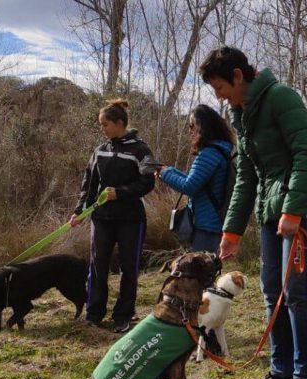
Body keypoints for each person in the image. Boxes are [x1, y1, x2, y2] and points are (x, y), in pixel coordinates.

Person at [199, 46, 307, 379]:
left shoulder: (281, 98)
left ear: (239, 76)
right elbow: (246, 175)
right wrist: (232, 230)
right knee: (272, 292)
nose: (218, 95)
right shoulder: (242, 114)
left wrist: (294, 209)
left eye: (220, 86)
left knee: (297, 295)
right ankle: (281, 373)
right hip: (272, 212)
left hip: (304, 208)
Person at [70, 99, 155, 333]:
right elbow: (88, 184)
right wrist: (79, 211)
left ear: (120, 123)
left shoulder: (141, 150)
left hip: (131, 219)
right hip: (102, 219)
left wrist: (121, 193)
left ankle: (123, 315)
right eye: (100, 125)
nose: (102, 129)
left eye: (105, 124)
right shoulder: (99, 151)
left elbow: (147, 182)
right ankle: (94, 313)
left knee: (129, 267)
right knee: (98, 265)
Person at [157, 104, 235, 254]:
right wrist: (169, 171)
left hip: (206, 228)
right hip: (212, 226)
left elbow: (189, 186)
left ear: (203, 127)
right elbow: (198, 182)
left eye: (192, 126)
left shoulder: (209, 153)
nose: (189, 131)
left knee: (197, 274)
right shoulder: (220, 151)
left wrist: (165, 174)